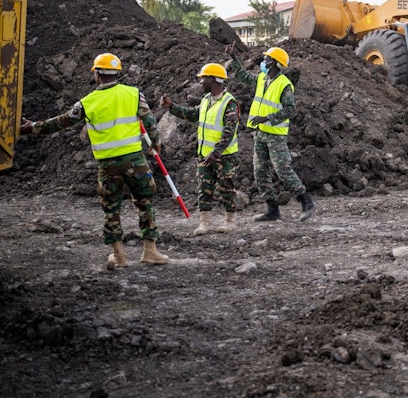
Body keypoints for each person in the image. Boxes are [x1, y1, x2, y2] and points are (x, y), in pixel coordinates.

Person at [19, 53, 169, 268]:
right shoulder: (134, 94)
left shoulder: (87, 102)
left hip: (108, 165)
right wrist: (156, 144)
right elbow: (150, 121)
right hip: (135, 161)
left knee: (111, 208)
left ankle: (119, 256)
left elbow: (61, 122)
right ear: (117, 73)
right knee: (144, 203)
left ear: (97, 74)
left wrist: (33, 127)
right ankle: (150, 251)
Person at [225, 43, 317, 222]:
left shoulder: (285, 85)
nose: (263, 61)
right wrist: (234, 58)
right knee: (260, 172)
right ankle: (272, 209)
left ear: (274, 63)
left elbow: (290, 110)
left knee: (283, 170)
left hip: (275, 135)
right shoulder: (262, 78)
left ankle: (307, 202)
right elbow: (244, 76)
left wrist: (267, 118)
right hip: (260, 133)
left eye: (266, 59)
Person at [160, 63, 240, 236]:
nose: (201, 82)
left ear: (212, 79)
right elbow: (192, 114)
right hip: (205, 155)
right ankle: (205, 222)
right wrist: (172, 106)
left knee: (226, 187)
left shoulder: (229, 103)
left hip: (224, 156)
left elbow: (229, 131)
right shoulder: (206, 100)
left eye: (203, 78)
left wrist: (217, 152)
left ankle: (230, 222)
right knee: (204, 188)